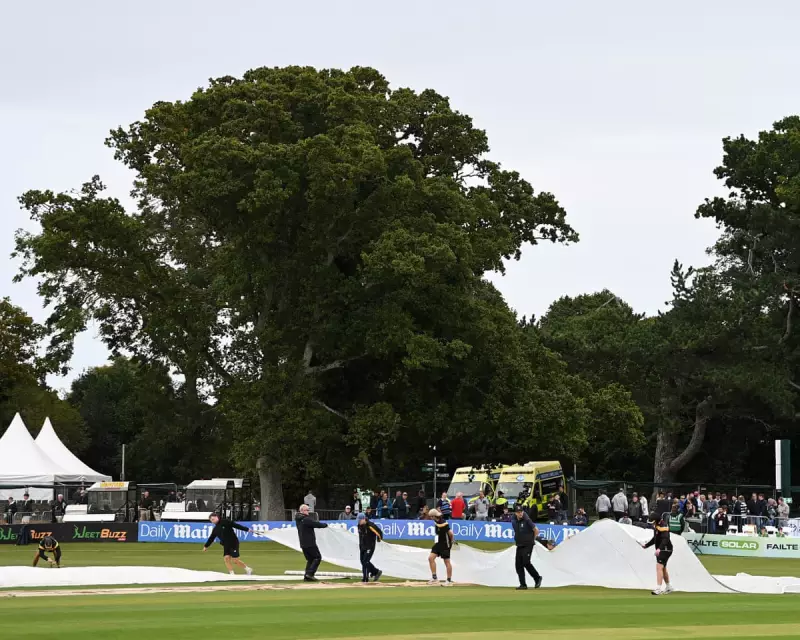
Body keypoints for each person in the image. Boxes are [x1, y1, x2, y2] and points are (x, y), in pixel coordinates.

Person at [511, 504, 542, 590]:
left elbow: (536, 530)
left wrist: (532, 539)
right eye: (518, 512)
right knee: (518, 564)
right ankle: (523, 584)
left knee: (526, 562)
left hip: (528, 544)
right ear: (515, 513)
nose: (520, 513)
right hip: (520, 544)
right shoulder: (514, 519)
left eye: (521, 511)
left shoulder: (527, 519)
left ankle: (537, 578)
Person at [641, 512, 673, 595]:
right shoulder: (656, 526)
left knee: (659, 567)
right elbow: (655, 538)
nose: (652, 524)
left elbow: (665, 539)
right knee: (663, 568)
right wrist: (646, 545)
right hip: (662, 549)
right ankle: (669, 587)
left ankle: (658, 588)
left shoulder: (663, 526)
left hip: (665, 549)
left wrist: (659, 549)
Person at [296, 504, 328, 581]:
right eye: (307, 510)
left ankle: (307, 576)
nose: (308, 512)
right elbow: (317, 524)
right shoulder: (306, 519)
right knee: (317, 557)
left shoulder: (298, 519)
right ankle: (310, 574)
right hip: (310, 542)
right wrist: (325, 525)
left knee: (310, 559)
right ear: (302, 511)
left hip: (303, 543)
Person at [427, 508, 454, 586]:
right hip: (439, 543)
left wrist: (451, 542)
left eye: (431, 516)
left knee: (447, 561)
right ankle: (434, 578)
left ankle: (449, 580)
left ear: (434, 516)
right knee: (430, 558)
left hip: (446, 544)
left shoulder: (443, 523)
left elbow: (451, 533)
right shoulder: (436, 522)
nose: (430, 518)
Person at [357, 512, 383, 582]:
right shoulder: (359, 526)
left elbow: (379, 532)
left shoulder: (370, 525)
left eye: (359, 520)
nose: (358, 522)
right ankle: (376, 572)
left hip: (370, 546)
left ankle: (365, 578)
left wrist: (379, 539)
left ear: (363, 519)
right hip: (362, 546)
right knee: (362, 561)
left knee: (365, 561)